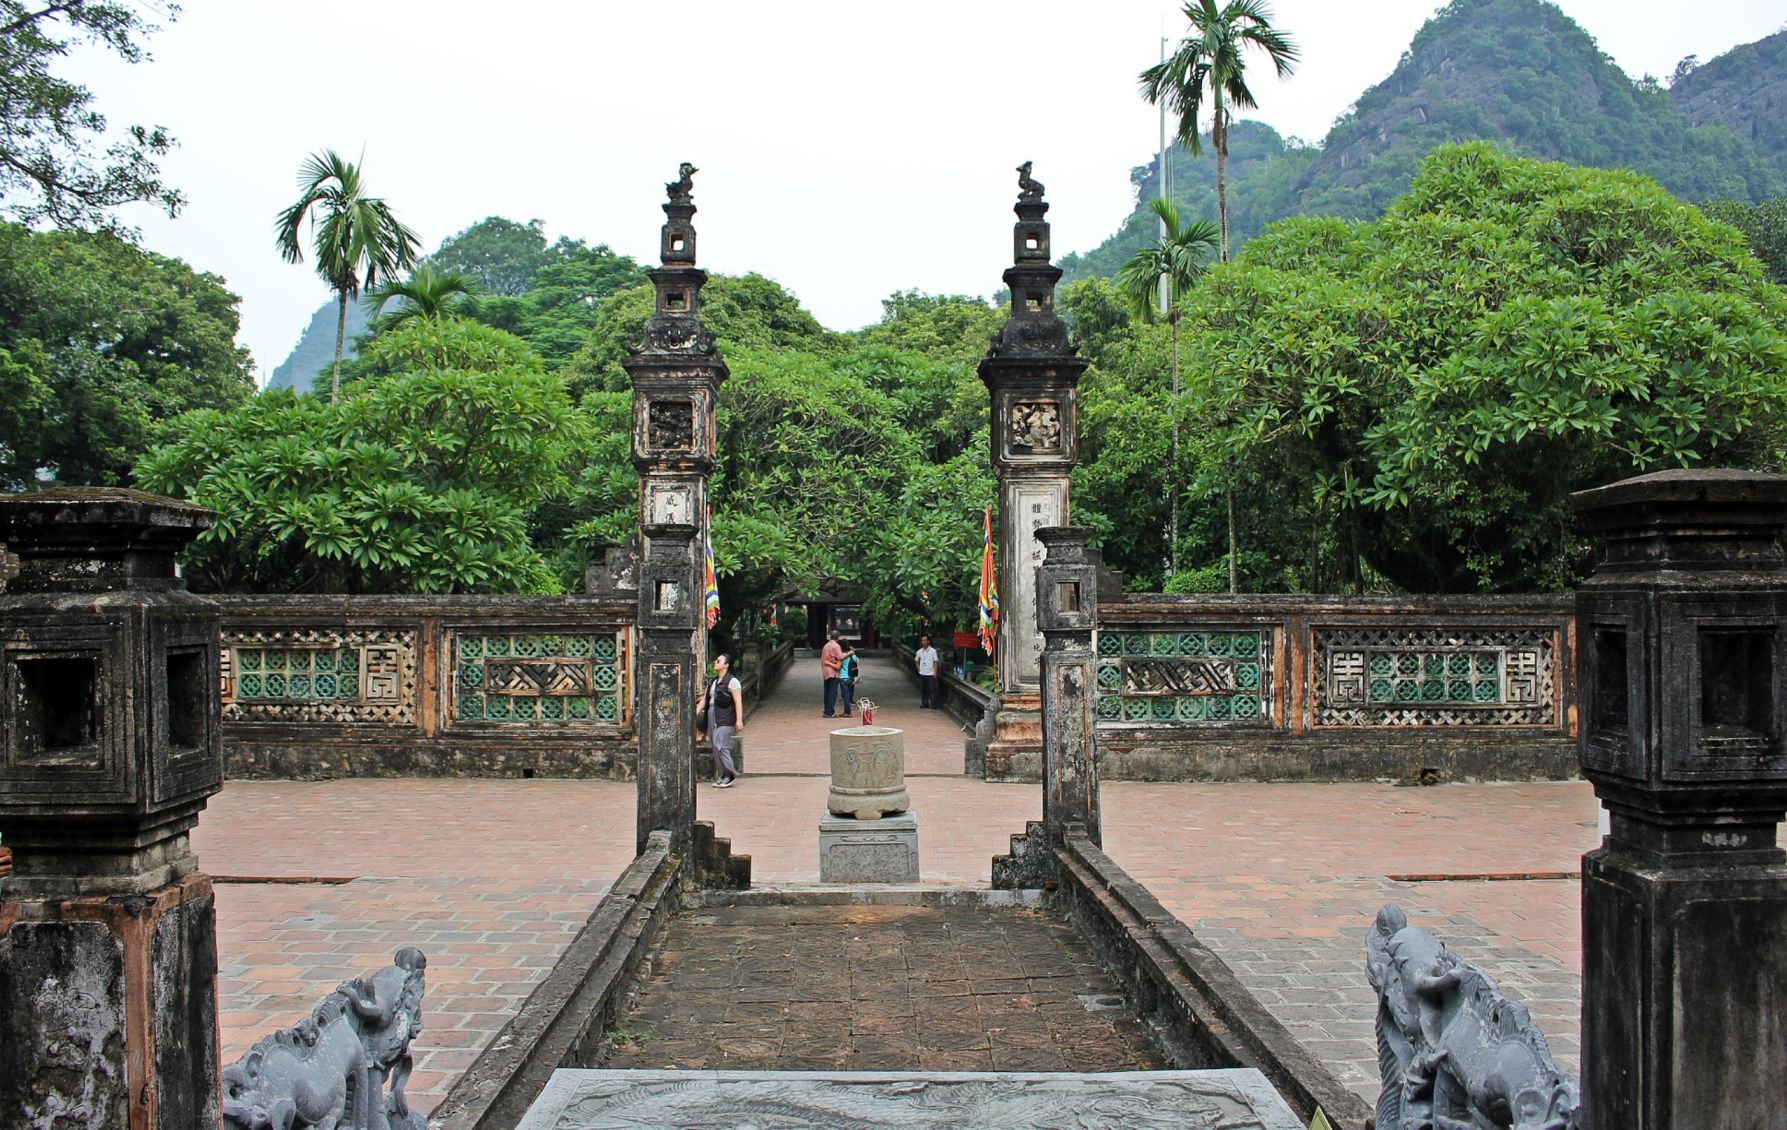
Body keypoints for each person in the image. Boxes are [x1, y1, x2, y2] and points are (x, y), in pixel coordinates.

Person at [697, 653, 745, 788]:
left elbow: (738, 701)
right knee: (714, 745)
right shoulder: (713, 681)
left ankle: (730, 773)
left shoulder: (732, 681)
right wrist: (696, 711)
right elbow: (705, 700)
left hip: (726, 716)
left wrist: (739, 719)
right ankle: (723, 774)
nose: (716, 662)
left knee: (720, 744)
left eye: (719, 660)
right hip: (712, 713)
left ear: (726, 665)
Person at [820, 631, 844, 717]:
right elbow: (840, 657)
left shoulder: (825, 646)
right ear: (838, 637)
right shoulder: (836, 646)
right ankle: (829, 712)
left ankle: (826, 710)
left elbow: (822, 659)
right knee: (833, 692)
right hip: (833, 671)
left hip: (826, 671)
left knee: (827, 691)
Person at [915, 634, 940, 709]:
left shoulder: (933, 651)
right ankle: (924, 703)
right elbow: (916, 661)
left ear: (928, 641)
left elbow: (935, 662)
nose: (923, 642)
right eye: (922, 641)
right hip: (923, 673)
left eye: (925, 640)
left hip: (930, 673)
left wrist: (935, 672)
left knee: (932, 689)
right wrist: (919, 669)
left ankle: (933, 704)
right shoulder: (919, 651)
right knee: (923, 689)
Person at [838, 643, 859, 717]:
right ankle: (847, 709)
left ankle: (848, 712)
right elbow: (857, 662)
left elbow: (838, 665)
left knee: (845, 696)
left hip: (843, 677)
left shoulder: (842, 656)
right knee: (849, 694)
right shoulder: (853, 656)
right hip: (851, 677)